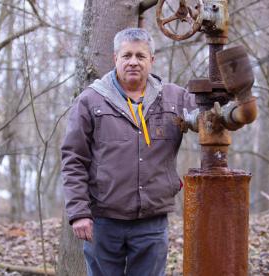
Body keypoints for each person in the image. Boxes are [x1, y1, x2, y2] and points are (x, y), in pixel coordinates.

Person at [61, 27, 197, 276]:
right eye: (127, 56)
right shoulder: (91, 100)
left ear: (151, 60)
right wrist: (79, 213)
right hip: (103, 221)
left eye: (140, 56)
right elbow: (73, 159)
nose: (133, 62)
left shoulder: (174, 98)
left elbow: (210, 116)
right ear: (115, 59)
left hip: (152, 222)